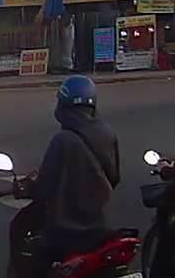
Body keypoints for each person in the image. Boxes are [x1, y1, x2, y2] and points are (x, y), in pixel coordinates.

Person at [26, 75, 120, 272]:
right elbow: (114, 178)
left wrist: (30, 187)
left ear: (63, 106)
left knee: (35, 261)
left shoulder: (62, 140)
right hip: (101, 226)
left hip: (66, 231)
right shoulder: (108, 134)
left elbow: (44, 188)